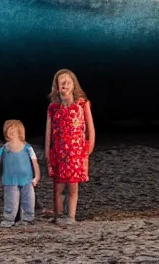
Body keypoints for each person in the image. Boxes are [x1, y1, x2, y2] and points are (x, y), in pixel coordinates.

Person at [45, 69, 95, 224]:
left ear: (74, 85)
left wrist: (88, 150)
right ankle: (58, 215)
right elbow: (49, 131)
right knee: (58, 186)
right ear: (57, 87)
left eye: (68, 82)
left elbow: (90, 128)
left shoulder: (82, 104)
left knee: (73, 187)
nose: (65, 84)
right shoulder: (53, 107)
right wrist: (47, 150)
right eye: (62, 82)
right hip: (59, 152)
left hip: (76, 153)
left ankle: (71, 216)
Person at [0, 119, 41, 227]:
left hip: (27, 179)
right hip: (10, 179)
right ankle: (9, 219)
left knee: (28, 199)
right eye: (9, 129)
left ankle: (27, 219)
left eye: (14, 129)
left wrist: (36, 176)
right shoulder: (4, 148)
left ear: (20, 131)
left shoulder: (28, 148)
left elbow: (35, 162)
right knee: (10, 199)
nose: (12, 131)